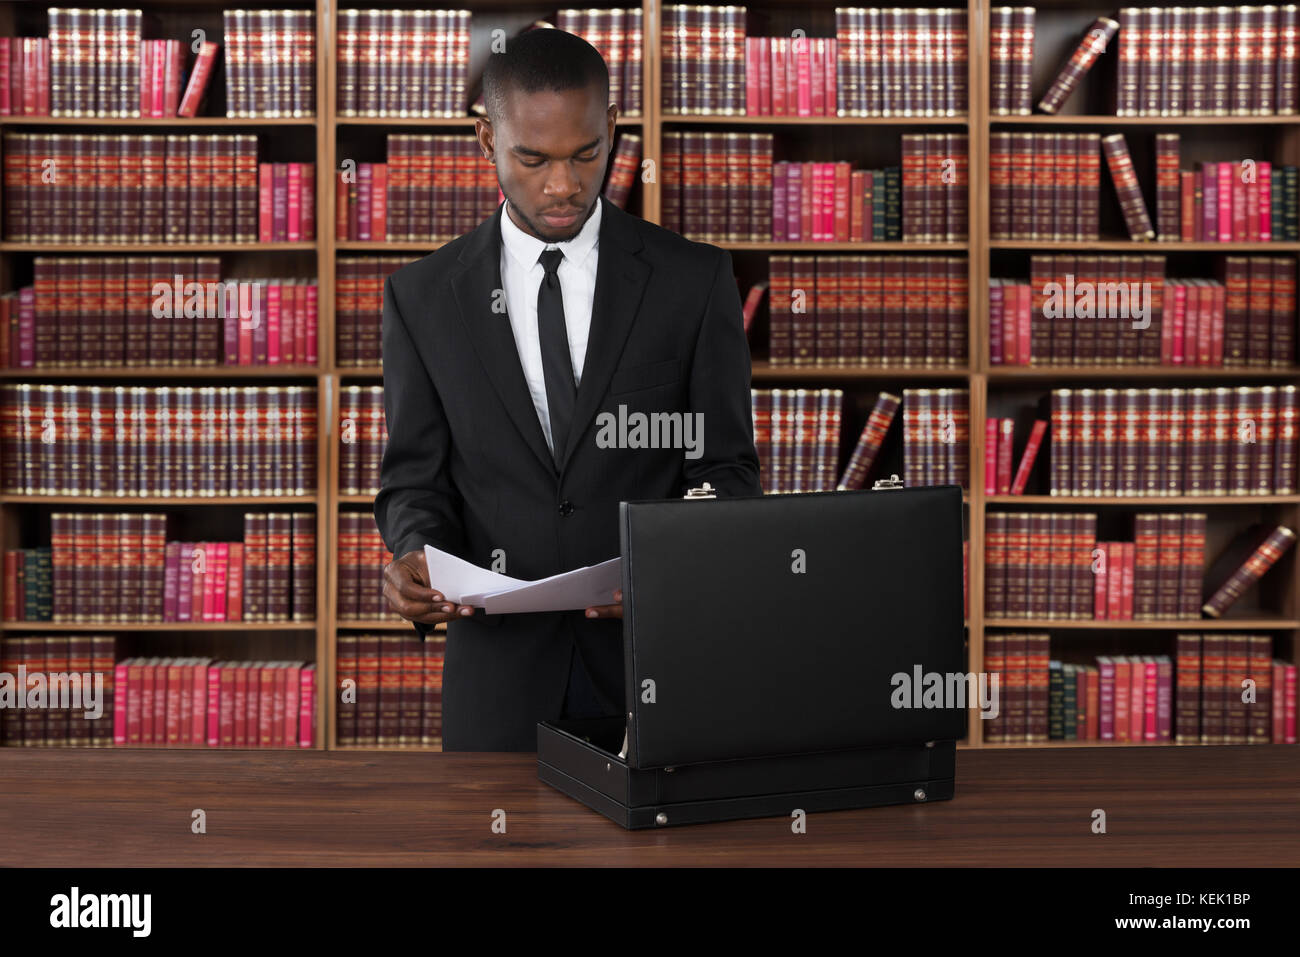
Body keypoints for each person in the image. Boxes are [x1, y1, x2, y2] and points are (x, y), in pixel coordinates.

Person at [375, 28, 761, 750]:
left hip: (659, 675)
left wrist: (669, 575)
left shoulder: (694, 281)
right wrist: (416, 559)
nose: (564, 185)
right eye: (533, 158)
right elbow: (413, 483)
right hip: (497, 688)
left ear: (612, 129)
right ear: (486, 138)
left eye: (587, 154)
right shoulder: (421, 299)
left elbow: (728, 473)